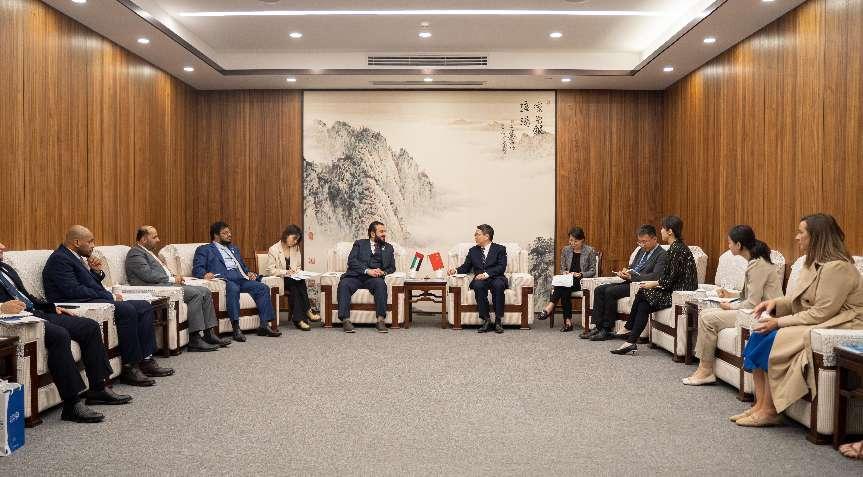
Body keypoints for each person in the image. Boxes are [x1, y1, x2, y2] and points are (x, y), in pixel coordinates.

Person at [733, 214, 862, 427]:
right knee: (759, 333)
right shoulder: (812, 264)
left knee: (773, 338)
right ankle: (759, 404)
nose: (796, 237)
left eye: (801, 232)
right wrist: (774, 303)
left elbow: (821, 313)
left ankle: (770, 410)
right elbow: (797, 299)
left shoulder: (838, 267)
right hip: (821, 319)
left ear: (817, 237)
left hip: (841, 322)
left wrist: (779, 322)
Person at [0, 240, 130, 423]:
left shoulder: (6, 268)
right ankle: (72, 404)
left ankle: (98, 388)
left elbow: (27, 297)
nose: (3, 247)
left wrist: (52, 307)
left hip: (35, 313)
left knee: (89, 326)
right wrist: (1, 308)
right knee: (59, 335)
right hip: (16, 322)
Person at [42, 225, 173, 387]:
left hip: (89, 298)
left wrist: (96, 272)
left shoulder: (75, 257)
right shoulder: (60, 259)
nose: (93, 246)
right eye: (90, 241)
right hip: (74, 303)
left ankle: (146, 359)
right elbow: (73, 290)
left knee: (143, 306)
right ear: (76, 242)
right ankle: (129, 367)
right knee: (126, 309)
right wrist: (109, 296)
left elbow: (87, 284)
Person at [682, 225, 783, 385]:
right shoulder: (754, 261)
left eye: (730, 243)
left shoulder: (758, 265)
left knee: (708, 319)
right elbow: (750, 295)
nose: (728, 246)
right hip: (754, 310)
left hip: (763, 314)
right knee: (705, 314)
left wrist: (731, 306)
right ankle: (703, 367)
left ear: (739, 245)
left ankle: (706, 370)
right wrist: (730, 295)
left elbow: (753, 302)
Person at [125, 226, 231, 352]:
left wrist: (175, 277)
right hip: (155, 288)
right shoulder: (135, 253)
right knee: (195, 294)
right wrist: (172, 279)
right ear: (143, 239)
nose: (158, 240)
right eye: (154, 237)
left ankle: (209, 334)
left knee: (205, 291)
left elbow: (159, 272)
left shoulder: (148, 252)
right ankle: (195, 339)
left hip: (166, 284)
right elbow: (147, 275)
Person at [611, 215, 697, 355]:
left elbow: (669, 280)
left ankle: (628, 329)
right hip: (673, 289)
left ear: (670, 231)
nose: (661, 231)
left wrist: (652, 284)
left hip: (679, 294)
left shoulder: (676, 250)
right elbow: (669, 278)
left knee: (643, 293)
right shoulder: (677, 247)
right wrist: (652, 284)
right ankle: (630, 342)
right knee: (643, 302)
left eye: (663, 228)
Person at [192, 221, 281, 341]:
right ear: (216, 235)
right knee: (233, 289)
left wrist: (249, 273)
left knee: (262, 288)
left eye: (229, 232)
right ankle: (236, 328)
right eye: (225, 233)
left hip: (241, 279)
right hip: (225, 280)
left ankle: (264, 325)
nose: (229, 235)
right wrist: (204, 274)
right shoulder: (205, 249)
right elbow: (197, 268)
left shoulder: (234, 249)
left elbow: (243, 267)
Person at [586, 225, 667, 341]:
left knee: (610, 291)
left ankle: (606, 329)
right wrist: (625, 272)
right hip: (630, 281)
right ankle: (598, 327)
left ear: (654, 239)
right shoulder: (641, 251)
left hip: (640, 286)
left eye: (645, 242)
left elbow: (655, 276)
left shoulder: (662, 254)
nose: (642, 245)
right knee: (599, 289)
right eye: (640, 242)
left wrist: (633, 276)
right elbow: (633, 267)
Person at [336, 221, 396, 334]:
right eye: (381, 231)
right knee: (344, 284)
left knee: (381, 284)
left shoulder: (388, 248)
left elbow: (392, 267)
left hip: (374, 279)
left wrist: (383, 272)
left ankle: (380, 320)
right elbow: (352, 261)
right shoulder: (359, 244)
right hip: (356, 276)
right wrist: (367, 271)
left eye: (385, 231)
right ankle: (345, 320)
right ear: (373, 234)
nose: (384, 234)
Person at [448, 224, 508, 334]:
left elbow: (501, 267)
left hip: (496, 277)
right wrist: (455, 271)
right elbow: (466, 267)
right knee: (477, 285)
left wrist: (486, 274)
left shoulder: (500, 249)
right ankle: (486, 319)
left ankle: (498, 321)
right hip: (480, 280)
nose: (475, 236)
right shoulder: (473, 251)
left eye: (477, 234)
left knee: (498, 285)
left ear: (486, 236)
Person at [537, 227, 597, 332]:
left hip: (581, 280)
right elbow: (562, 268)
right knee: (565, 287)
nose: (572, 243)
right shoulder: (566, 250)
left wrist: (581, 274)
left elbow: (593, 271)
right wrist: (564, 272)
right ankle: (568, 322)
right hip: (568, 280)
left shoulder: (589, 251)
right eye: (570, 240)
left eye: (575, 241)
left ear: (582, 240)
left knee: (563, 286)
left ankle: (550, 307)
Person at [265, 224, 320, 331]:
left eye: (297, 240)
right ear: (286, 235)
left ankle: (299, 319)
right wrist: (286, 272)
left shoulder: (296, 248)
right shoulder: (273, 249)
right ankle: (307, 311)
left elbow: (298, 266)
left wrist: (296, 271)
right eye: (294, 238)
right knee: (296, 283)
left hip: (292, 279)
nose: (295, 242)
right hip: (280, 279)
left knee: (297, 283)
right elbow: (270, 270)